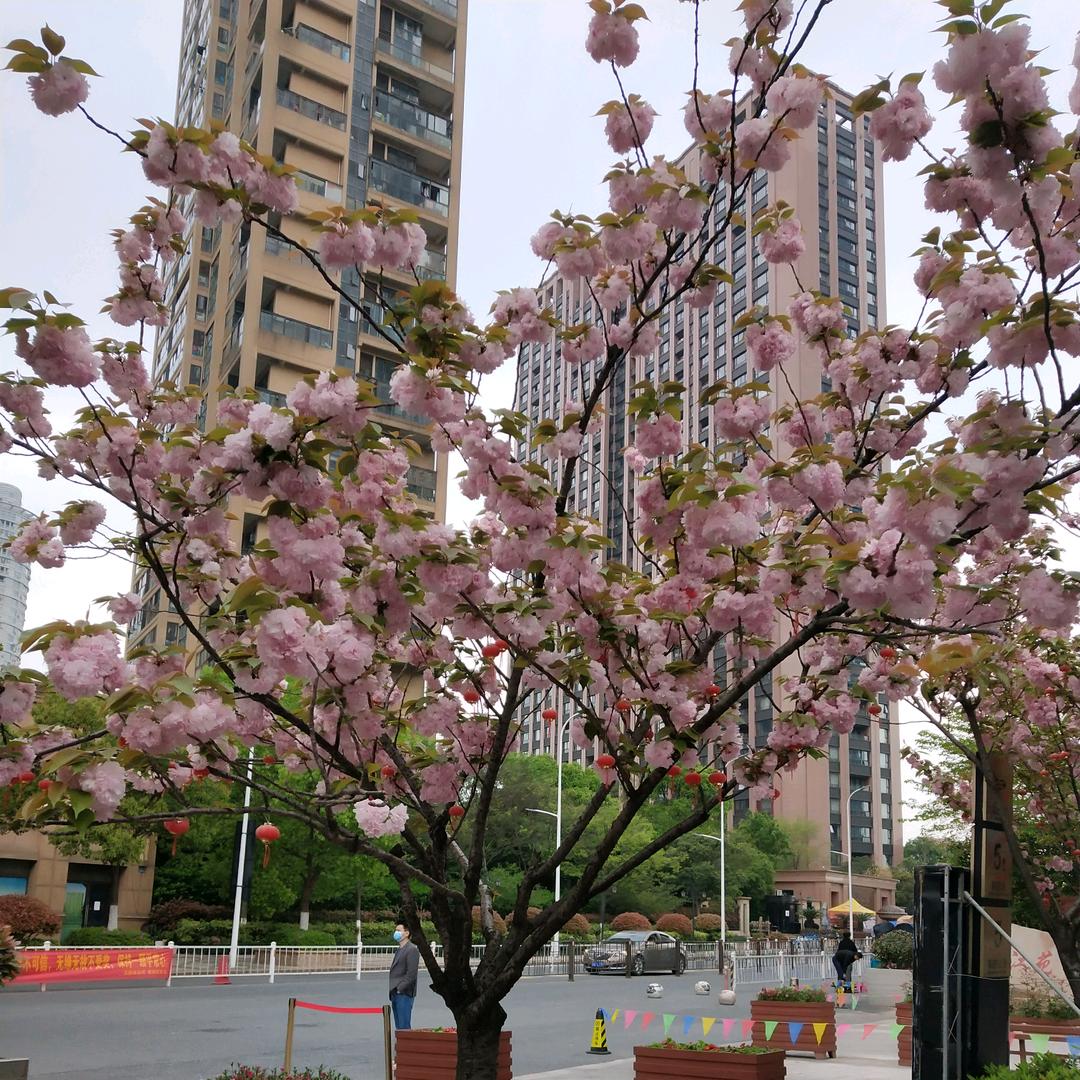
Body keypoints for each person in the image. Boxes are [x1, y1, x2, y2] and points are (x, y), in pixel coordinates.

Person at [388, 922, 420, 1030]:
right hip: (395, 993)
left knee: (404, 1026)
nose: (396, 933)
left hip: (404, 993)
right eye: (395, 930)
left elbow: (411, 974)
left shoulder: (412, 950)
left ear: (406, 933)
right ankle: (401, 1046)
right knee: (399, 1026)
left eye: (398, 930)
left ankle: (407, 1046)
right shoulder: (399, 950)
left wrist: (399, 989)